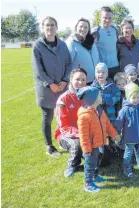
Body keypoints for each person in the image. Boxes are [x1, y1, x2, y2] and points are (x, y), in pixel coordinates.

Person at [32, 16, 72, 156]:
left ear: (56, 27)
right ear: (43, 28)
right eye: (47, 25)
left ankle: (67, 141)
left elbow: (69, 63)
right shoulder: (38, 45)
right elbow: (38, 69)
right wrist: (50, 83)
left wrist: (65, 80)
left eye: (52, 25)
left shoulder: (62, 44)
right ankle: (49, 146)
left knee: (64, 116)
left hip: (62, 86)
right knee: (47, 117)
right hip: (46, 89)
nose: (50, 28)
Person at [76, 86, 120, 192]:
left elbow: (107, 125)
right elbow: (83, 135)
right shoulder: (84, 116)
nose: (101, 96)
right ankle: (88, 183)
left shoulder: (99, 110)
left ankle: (95, 176)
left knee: (97, 162)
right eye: (99, 95)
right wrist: (87, 150)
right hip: (91, 147)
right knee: (90, 164)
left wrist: (114, 135)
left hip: (100, 143)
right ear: (93, 99)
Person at [55, 68, 87, 177]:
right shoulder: (63, 99)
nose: (81, 82)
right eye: (77, 79)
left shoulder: (88, 95)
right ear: (71, 79)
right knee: (77, 144)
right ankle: (72, 165)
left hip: (86, 132)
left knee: (104, 159)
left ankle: (88, 157)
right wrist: (81, 134)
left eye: (83, 79)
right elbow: (63, 126)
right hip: (66, 135)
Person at [115, 82, 139, 178]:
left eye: (138, 97)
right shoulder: (124, 110)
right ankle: (126, 168)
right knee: (128, 153)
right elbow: (119, 122)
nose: (136, 100)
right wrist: (117, 134)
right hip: (129, 138)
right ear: (128, 97)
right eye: (133, 97)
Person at [66, 18, 99, 85]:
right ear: (76, 27)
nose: (83, 29)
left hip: (95, 81)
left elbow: (97, 59)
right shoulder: (71, 42)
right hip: (80, 83)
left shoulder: (92, 42)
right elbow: (67, 63)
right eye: (81, 26)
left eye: (86, 27)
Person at [92, 6, 120, 79]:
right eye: (105, 17)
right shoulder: (95, 31)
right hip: (102, 68)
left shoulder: (115, 30)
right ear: (100, 17)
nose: (107, 20)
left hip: (115, 66)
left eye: (110, 18)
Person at [91, 63, 121, 127]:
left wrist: (106, 100)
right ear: (95, 74)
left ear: (107, 74)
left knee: (112, 133)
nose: (100, 74)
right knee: (100, 133)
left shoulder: (112, 85)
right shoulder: (93, 88)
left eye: (103, 72)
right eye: (98, 72)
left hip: (111, 116)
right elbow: (91, 100)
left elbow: (117, 95)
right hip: (98, 116)